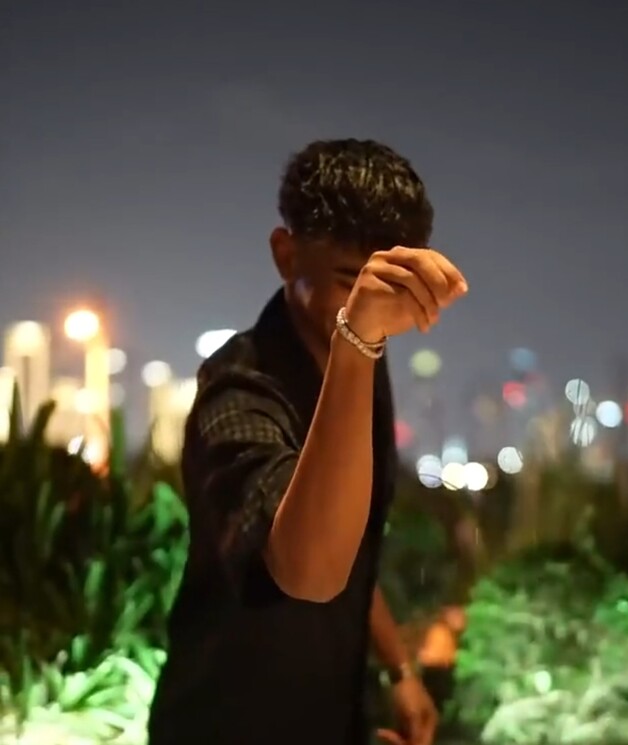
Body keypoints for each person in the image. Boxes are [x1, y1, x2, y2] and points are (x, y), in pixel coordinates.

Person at [147, 138, 468, 745]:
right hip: (226, 723)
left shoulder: (357, 354)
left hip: (329, 714)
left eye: (388, 291)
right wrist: (359, 341)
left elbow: (353, 542)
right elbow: (311, 572)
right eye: (350, 282)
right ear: (285, 254)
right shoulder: (238, 388)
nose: (368, 309)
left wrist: (399, 669)